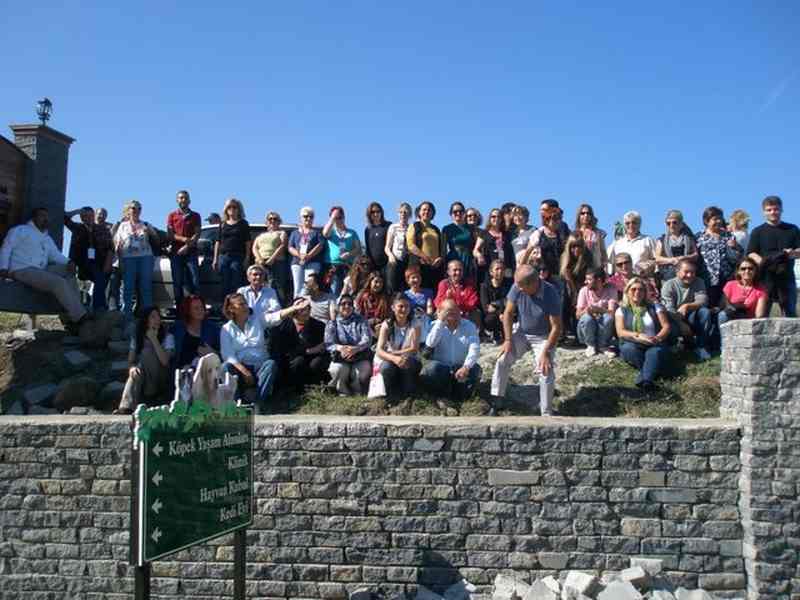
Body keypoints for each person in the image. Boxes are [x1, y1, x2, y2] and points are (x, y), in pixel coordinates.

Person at [0, 207, 91, 331]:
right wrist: (3, 268)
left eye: (47, 217)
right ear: (34, 218)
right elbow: (6, 248)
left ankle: (71, 316)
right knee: (58, 282)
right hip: (21, 269)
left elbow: (55, 255)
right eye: (42, 216)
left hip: (40, 270)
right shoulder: (20, 230)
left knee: (68, 272)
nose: (45, 219)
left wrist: (69, 262)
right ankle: (80, 317)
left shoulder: (46, 238)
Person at [490, 264, 562, 416]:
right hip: (522, 332)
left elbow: (556, 327)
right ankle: (497, 401)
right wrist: (508, 339)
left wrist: (546, 352)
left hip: (544, 336)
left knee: (545, 369)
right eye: (517, 285)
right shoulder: (518, 286)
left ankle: (546, 411)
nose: (518, 289)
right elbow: (508, 313)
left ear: (534, 283)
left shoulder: (551, 293)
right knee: (502, 360)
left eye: (521, 286)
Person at [220, 292, 308, 413]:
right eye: (241, 304)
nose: (246, 306)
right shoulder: (226, 329)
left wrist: (294, 308)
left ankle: (257, 404)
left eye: (245, 303)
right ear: (231, 309)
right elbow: (228, 355)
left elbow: (276, 317)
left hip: (260, 366)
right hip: (240, 368)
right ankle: (236, 403)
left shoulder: (257, 319)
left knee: (271, 364)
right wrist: (244, 371)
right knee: (226, 367)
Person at [615, 277, 672, 391]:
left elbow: (666, 326)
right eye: (633, 289)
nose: (637, 292)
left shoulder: (655, 307)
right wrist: (638, 335)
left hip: (654, 342)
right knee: (628, 349)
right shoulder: (621, 310)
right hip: (633, 343)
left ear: (645, 292)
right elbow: (620, 332)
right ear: (627, 292)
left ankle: (645, 380)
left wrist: (657, 338)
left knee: (654, 353)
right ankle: (653, 372)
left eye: (641, 290)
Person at [747, 195, 800, 317]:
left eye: (776, 209)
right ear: (763, 212)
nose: (773, 212)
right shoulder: (757, 231)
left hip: (786, 277)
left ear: (781, 210)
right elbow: (751, 252)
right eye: (769, 210)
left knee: (790, 314)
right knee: (761, 315)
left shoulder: (792, 229)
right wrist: (763, 261)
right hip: (765, 278)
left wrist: (792, 253)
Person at [114, 306, 174, 414]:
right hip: (144, 379)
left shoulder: (168, 337)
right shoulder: (137, 337)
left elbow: (165, 361)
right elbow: (131, 360)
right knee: (135, 372)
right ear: (146, 320)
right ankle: (126, 407)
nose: (157, 320)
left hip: (161, 378)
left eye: (158, 317)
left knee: (148, 352)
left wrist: (154, 339)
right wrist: (132, 368)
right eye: (153, 317)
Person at [421, 298, 481, 401]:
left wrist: (466, 367)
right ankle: (441, 396)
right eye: (449, 312)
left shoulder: (469, 326)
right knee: (431, 369)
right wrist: (440, 322)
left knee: (475, 368)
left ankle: (461, 395)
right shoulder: (434, 325)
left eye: (456, 311)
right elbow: (430, 344)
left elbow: (474, 349)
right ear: (440, 312)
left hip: (461, 367)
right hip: (442, 368)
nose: (453, 314)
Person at [269, 297, 330, 392]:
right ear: (293, 311)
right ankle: (295, 389)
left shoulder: (319, 325)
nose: (306, 312)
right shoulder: (283, 326)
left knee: (317, 362)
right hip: (291, 359)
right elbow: (284, 349)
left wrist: (314, 351)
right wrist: (308, 351)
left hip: (312, 358)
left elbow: (321, 347)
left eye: (308, 308)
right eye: (301, 309)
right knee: (298, 361)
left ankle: (314, 387)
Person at [113, 200, 160, 318]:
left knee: (146, 287)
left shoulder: (146, 224)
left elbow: (157, 239)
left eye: (139, 208)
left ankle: (147, 316)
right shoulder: (122, 226)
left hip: (145, 258)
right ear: (128, 210)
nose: (136, 211)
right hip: (128, 258)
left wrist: (150, 232)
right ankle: (126, 315)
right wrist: (120, 261)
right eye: (133, 208)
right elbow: (117, 245)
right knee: (127, 287)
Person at [661, 259, 713, 360]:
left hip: (691, 315)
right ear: (677, 271)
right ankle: (674, 345)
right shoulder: (668, 285)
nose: (689, 275)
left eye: (692, 272)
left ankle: (701, 346)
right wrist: (681, 324)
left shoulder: (699, 281)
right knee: (668, 321)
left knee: (705, 312)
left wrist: (687, 306)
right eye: (686, 272)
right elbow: (669, 308)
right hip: (674, 317)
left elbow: (703, 301)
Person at [64, 205, 114, 312]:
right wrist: (77, 211)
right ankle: (99, 307)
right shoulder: (78, 228)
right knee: (99, 277)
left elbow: (110, 247)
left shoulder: (101, 229)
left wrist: (108, 263)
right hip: (83, 262)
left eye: (91, 215)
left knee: (104, 277)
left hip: (100, 260)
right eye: (85, 216)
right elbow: (64, 217)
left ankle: (97, 305)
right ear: (82, 218)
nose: (88, 218)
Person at [374, 294, 421, 396]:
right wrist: (394, 358)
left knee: (408, 363)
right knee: (386, 367)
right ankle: (390, 388)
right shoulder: (386, 324)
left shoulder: (415, 323)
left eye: (407, 306)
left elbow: (414, 348)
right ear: (393, 308)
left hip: (409, 358)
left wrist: (395, 353)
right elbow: (379, 350)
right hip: (392, 360)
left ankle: (408, 387)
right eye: (400, 306)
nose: (404, 309)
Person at [325, 295, 372, 395]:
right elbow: (329, 343)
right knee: (337, 370)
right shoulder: (332, 322)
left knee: (363, 371)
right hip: (340, 356)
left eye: (350, 304)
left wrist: (356, 348)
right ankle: (342, 389)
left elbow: (367, 339)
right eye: (343, 304)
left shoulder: (361, 320)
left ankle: (356, 389)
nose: (347, 306)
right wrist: (341, 348)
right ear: (338, 306)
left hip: (359, 355)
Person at [695, 206, 742, 308]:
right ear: (706, 221)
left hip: (725, 278)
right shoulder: (698, 237)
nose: (718, 221)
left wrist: (736, 247)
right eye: (715, 219)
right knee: (707, 307)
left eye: (720, 218)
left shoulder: (729, 236)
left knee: (723, 308)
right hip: (706, 278)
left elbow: (738, 257)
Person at [166, 190, 202, 310]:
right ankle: (180, 309)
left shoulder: (195, 216)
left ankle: (196, 308)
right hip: (176, 253)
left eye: (185, 198)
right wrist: (184, 239)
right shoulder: (172, 215)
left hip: (191, 252)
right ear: (177, 200)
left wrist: (187, 246)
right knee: (177, 282)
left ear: (189, 200)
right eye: (181, 198)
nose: (183, 200)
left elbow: (197, 234)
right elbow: (170, 234)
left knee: (194, 281)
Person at [576, 268, 618, 357]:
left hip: (602, 326)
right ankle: (590, 345)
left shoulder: (611, 289)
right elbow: (578, 315)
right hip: (587, 327)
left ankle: (603, 345)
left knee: (608, 317)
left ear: (598, 280)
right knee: (587, 318)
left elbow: (612, 313)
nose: (585, 282)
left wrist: (599, 310)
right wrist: (586, 310)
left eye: (589, 279)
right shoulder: (584, 291)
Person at [213, 197, 251, 297]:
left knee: (236, 282)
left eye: (234, 207)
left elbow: (248, 242)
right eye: (229, 207)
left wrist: (247, 258)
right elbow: (218, 242)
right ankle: (225, 305)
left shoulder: (243, 223)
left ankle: (236, 305)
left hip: (238, 257)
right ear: (226, 209)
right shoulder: (222, 224)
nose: (232, 209)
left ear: (239, 209)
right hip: (223, 257)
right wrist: (215, 259)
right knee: (224, 282)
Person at [171, 294, 220, 370]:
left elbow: (224, 355)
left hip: (205, 371)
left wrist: (212, 353)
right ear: (188, 311)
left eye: (202, 307)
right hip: (182, 371)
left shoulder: (213, 329)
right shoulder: (177, 328)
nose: (200, 310)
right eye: (196, 308)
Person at [560, 233, 593, 341]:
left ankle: (579, 335)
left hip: (583, 287)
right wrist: (573, 291)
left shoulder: (587, 257)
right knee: (563, 299)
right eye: (573, 246)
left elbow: (588, 278)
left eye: (578, 246)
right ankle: (562, 331)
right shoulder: (565, 257)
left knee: (580, 303)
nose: (576, 249)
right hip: (568, 287)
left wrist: (577, 293)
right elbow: (566, 278)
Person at [322, 206, 362, 297]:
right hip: (333, 266)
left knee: (348, 291)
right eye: (335, 218)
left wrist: (349, 254)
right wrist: (332, 217)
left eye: (340, 217)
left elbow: (358, 248)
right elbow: (325, 233)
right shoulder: (331, 232)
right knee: (334, 291)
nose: (338, 220)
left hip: (347, 266)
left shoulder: (352, 232)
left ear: (344, 217)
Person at [252, 211, 289, 306]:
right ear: (266, 222)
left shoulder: (281, 233)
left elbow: (282, 245)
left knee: (276, 286)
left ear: (279, 222)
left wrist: (272, 258)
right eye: (270, 219)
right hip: (261, 263)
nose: (272, 221)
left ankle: (279, 308)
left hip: (276, 262)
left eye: (275, 219)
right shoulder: (261, 235)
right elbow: (254, 247)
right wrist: (259, 258)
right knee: (261, 286)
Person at [718, 258, 768, 327]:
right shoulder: (730, 285)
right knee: (722, 315)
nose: (747, 271)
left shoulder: (761, 289)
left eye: (750, 268)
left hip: (749, 322)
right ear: (738, 271)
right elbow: (724, 304)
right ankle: (724, 337)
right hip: (731, 318)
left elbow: (759, 315)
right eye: (743, 269)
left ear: (755, 271)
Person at [406, 201, 445, 290]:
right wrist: (424, 257)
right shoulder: (414, 226)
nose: (426, 212)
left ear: (432, 213)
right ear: (419, 212)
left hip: (435, 266)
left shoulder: (436, 229)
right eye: (424, 209)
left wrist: (440, 258)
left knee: (433, 291)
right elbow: (410, 245)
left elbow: (441, 247)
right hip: (419, 264)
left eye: (429, 210)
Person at [288, 206, 324, 297]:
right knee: (298, 286)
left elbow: (320, 245)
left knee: (309, 284)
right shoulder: (295, 233)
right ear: (301, 218)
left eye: (311, 216)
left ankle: (306, 306)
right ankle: (296, 307)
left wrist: (308, 255)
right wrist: (300, 255)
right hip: (297, 262)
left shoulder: (317, 232)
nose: (308, 218)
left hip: (313, 262)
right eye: (305, 216)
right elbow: (290, 247)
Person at [655, 210, 698, 284]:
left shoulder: (689, 238)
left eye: (674, 222)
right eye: (668, 223)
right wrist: (672, 260)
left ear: (681, 224)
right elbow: (657, 259)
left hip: (687, 275)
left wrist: (683, 258)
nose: (671, 225)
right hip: (668, 276)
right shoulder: (662, 240)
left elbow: (696, 255)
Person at [607, 211, 657, 275]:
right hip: (621, 281)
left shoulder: (648, 240)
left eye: (634, 223)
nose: (631, 225)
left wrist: (648, 265)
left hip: (641, 280)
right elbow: (610, 264)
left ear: (639, 224)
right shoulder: (617, 243)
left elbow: (657, 260)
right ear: (624, 225)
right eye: (627, 223)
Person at [433, 260, 481, 327]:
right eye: (455, 270)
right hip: (449, 312)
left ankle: (473, 336)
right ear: (448, 272)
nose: (458, 273)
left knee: (477, 313)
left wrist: (458, 306)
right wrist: (447, 298)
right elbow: (438, 303)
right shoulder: (443, 284)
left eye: (460, 270)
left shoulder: (469, 284)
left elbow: (473, 301)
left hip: (465, 312)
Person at [443, 201, 481, 282]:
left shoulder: (470, 228)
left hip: (468, 258)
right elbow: (443, 248)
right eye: (455, 211)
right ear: (451, 214)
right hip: (453, 257)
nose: (458, 213)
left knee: (468, 282)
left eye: (460, 211)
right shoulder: (446, 228)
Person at [474, 207, 514, 282]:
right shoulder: (484, 233)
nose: (496, 218)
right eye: (493, 216)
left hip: (505, 269)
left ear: (501, 219)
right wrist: (479, 256)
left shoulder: (507, 234)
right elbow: (475, 250)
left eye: (498, 216)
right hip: (489, 268)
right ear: (490, 218)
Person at [480, 259, 512, 344]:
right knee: (490, 319)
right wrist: (500, 312)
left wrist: (498, 306)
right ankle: (495, 333)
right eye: (497, 269)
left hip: (506, 312)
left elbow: (510, 301)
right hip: (493, 316)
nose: (500, 271)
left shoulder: (508, 284)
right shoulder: (485, 286)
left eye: (502, 269)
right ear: (491, 272)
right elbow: (486, 307)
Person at [384, 202, 411, 294]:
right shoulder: (393, 227)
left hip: (407, 261)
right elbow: (387, 247)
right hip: (394, 260)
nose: (403, 214)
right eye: (401, 212)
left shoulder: (411, 228)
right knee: (392, 286)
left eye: (405, 212)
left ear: (409, 215)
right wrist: (391, 256)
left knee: (406, 287)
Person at [573, 204, 608, 270]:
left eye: (588, 213)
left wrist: (605, 270)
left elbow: (603, 253)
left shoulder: (598, 233)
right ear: (578, 216)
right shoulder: (574, 234)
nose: (586, 215)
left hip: (596, 269)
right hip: (579, 269)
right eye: (582, 213)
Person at [355, 270, 390, 335]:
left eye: (381, 282)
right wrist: (370, 322)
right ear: (370, 282)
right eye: (376, 282)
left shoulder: (386, 298)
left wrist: (382, 324)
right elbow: (357, 315)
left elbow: (389, 316)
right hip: (364, 326)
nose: (378, 284)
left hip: (380, 328)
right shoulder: (361, 296)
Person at [364, 202, 391, 282]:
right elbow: (368, 248)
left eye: (378, 211)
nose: (375, 214)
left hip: (387, 264)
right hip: (373, 266)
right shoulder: (368, 229)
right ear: (369, 214)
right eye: (373, 212)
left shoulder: (388, 225)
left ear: (381, 212)